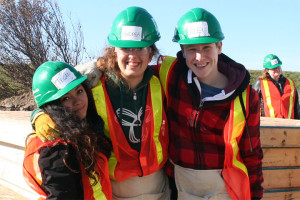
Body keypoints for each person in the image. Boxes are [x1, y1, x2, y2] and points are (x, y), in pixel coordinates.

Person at [30, 7, 170, 200]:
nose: (133, 56)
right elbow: (53, 96)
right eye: (125, 48)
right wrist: (39, 115)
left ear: (151, 51)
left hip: (159, 186)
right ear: (114, 51)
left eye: (140, 48)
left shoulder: (162, 80)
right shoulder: (92, 85)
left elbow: (202, 64)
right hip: (115, 189)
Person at [154, 8, 263, 200]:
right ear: (182, 51)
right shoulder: (171, 74)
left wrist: (255, 196)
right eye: (192, 49)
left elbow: (252, 154)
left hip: (224, 188)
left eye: (206, 48)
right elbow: (133, 66)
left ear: (219, 47)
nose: (199, 57)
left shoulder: (246, 97)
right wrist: (94, 70)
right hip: (180, 185)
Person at [23, 61, 112, 200]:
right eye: (66, 98)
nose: (78, 101)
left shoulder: (85, 127)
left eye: (79, 91)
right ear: (53, 106)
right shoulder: (56, 149)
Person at [253, 54, 300, 119]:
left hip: (289, 125)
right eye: (274, 68)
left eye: (278, 67)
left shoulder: (291, 83)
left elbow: (296, 107)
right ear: (267, 70)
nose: (277, 69)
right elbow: (251, 105)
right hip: (268, 125)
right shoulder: (260, 82)